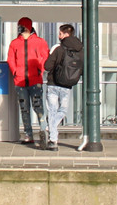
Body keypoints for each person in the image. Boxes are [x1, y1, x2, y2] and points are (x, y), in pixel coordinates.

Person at [6, 16, 49, 146]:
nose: (19, 28)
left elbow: (45, 58)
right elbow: (10, 59)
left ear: (27, 27)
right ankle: (28, 134)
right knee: (24, 108)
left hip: (34, 80)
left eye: (21, 26)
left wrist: (40, 71)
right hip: (20, 81)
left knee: (38, 107)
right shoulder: (14, 43)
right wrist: (15, 72)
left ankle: (43, 131)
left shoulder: (40, 42)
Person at [42, 23, 83, 151]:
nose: (58, 36)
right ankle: (52, 129)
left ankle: (53, 140)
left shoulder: (58, 48)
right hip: (67, 85)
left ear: (66, 34)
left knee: (52, 111)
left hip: (53, 84)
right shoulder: (80, 50)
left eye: (60, 33)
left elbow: (47, 66)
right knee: (62, 111)